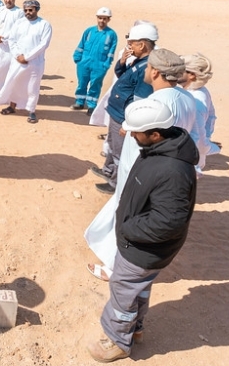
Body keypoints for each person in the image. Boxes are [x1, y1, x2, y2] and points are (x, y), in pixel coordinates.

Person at [87, 99, 198, 363]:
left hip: (142, 247)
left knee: (123, 291)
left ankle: (117, 341)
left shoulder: (171, 169)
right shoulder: (160, 149)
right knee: (138, 288)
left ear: (155, 134)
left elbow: (167, 222)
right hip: (143, 245)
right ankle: (135, 329)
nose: (130, 135)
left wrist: (128, 228)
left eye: (136, 132)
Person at [85, 49, 198, 281]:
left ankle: (116, 268)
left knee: (131, 218)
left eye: (148, 68)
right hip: (154, 168)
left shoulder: (158, 101)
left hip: (142, 171)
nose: (146, 70)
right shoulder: (186, 98)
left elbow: (153, 137)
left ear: (155, 72)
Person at [91, 23, 157, 192]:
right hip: (116, 113)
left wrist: (129, 124)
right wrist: (122, 62)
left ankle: (115, 184)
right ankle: (109, 172)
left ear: (142, 45)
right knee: (112, 146)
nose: (130, 47)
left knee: (120, 153)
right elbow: (123, 76)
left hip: (123, 117)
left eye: (132, 44)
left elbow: (138, 101)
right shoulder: (140, 62)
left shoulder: (146, 68)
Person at [0, 0, 53, 123]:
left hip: (35, 63)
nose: (28, 12)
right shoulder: (19, 23)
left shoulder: (44, 24)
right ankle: (12, 106)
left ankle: (31, 111)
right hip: (17, 61)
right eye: (25, 10)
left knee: (32, 88)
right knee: (14, 83)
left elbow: (43, 44)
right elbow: (12, 40)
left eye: (30, 10)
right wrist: (17, 55)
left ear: (37, 10)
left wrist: (27, 57)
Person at [72, 7, 118, 115]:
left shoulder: (111, 34)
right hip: (84, 62)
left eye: (105, 19)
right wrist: (77, 57)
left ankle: (92, 106)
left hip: (99, 64)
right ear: (97, 18)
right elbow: (81, 44)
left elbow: (112, 51)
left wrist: (106, 64)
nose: (102, 21)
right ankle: (79, 102)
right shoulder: (89, 31)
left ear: (108, 20)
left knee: (95, 85)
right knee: (82, 83)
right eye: (100, 18)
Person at [180, 52, 220, 171]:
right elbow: (211, 118)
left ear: (191, 75)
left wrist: (213, 147)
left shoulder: (196, 102)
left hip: (188, 161)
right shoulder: (203, 91)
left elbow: (200, 142)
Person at [0, 0, 24, 93]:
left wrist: (3, 38)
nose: (8, 1)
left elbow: (18, 29)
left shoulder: (20, 13)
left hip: (9, 47)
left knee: (5, 69)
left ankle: (2, 92)